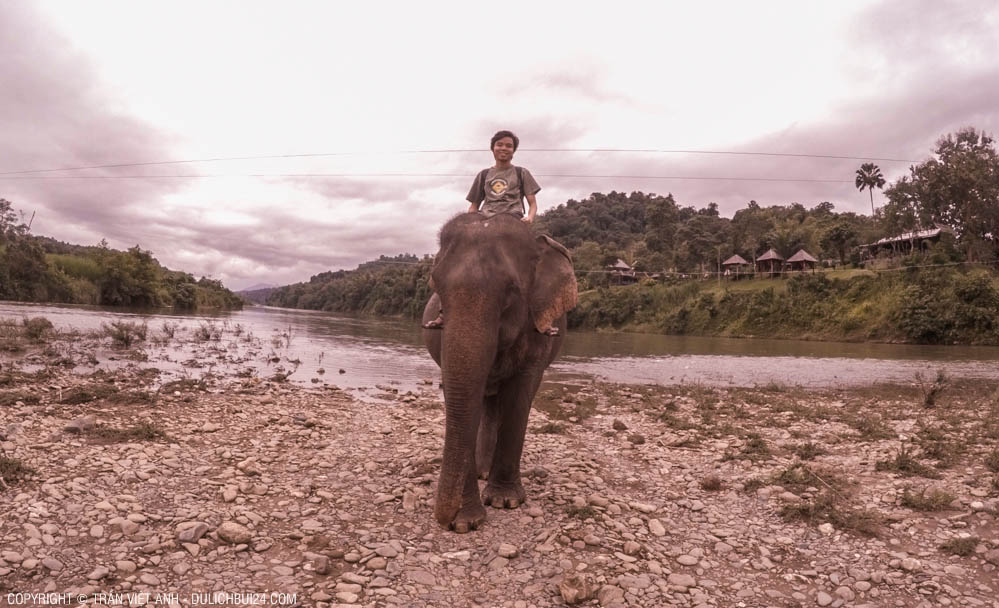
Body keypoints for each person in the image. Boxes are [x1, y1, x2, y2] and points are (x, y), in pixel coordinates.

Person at [423, 130, 557, 335]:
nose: (504, 148)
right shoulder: (483, 175)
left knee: (533, 264)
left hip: (512, 222)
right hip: (484, 222)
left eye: (509, 146)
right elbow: (474, 206)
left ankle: (541, 317)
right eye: (500, 145)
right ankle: (444, 312)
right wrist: (469, 223)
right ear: (493, 148)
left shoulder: (521, 173)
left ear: (514, 151)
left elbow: (532, 204)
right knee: (450, 259)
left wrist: (529, 217)